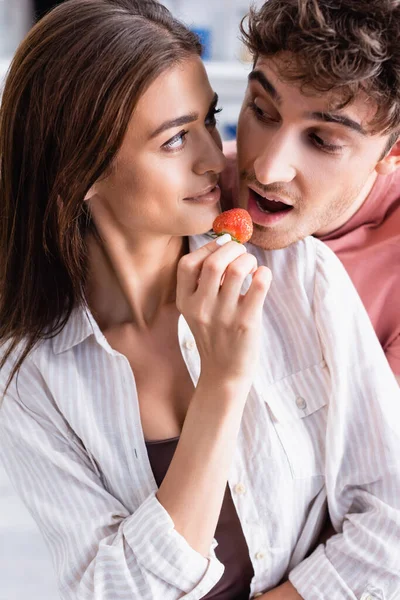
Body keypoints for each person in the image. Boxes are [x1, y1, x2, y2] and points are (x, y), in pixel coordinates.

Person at [0, 1, 399, 599]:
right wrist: (223, 383)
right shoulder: (30, 374)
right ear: (77, 172)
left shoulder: (296, 274)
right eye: (176, 138)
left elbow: (391, 522)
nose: (222, 158)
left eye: (210, 120)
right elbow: (109, 591)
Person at [221, 0, 400, 384]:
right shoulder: (195, 185)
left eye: (321, 140)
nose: (268, 169)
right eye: (263, 111)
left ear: (394, 152)